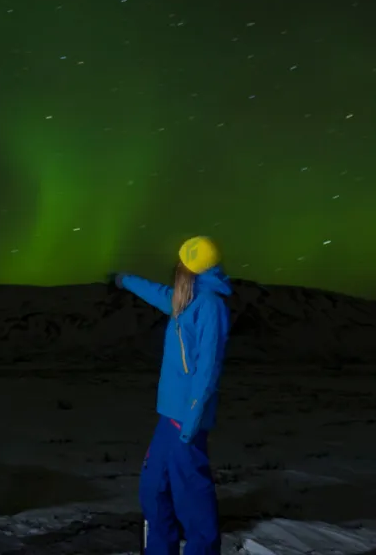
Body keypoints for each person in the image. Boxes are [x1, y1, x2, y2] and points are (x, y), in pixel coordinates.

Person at [112, 236, 231, 555]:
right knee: (154, 491)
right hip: (169, 417)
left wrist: (191, 424)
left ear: (189, 267)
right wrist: (125, 281)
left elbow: (207, 370)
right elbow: (159, 293)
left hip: (185, 421)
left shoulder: (210, 305)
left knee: (193, 501)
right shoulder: (186, 298)